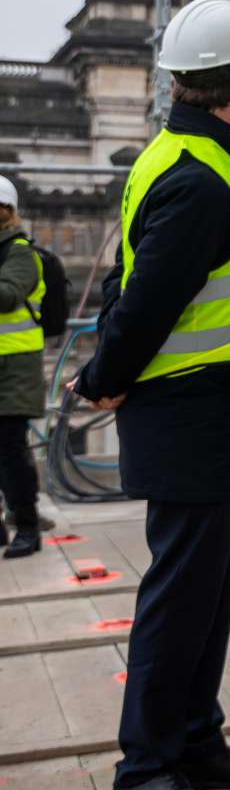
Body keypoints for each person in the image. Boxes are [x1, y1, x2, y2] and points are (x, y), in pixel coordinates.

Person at [73, 0, 230, 790]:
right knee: (181, 595)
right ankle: (147, 768)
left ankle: (196, 741)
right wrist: (103, 377)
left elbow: (132, 284)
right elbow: (148, 302)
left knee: (206, 591)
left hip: (214, 417)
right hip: (195, 416)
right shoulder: (203, 179)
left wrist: (108, 368)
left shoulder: (178, 156)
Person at [0, 175, 47, 559]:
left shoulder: (20, 252)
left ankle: (27, 526)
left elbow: (8, 296)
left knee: (11, 448)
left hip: (16, 366)